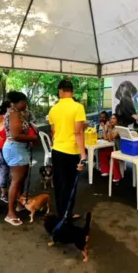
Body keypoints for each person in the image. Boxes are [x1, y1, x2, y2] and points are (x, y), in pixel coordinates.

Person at [48, 80, 87, 221]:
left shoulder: (53, 109)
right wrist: (83, 154)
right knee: (70, 185)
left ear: (60, 91)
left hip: (57, 150)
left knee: (59, 184)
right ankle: (67, 215)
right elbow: (78, 132)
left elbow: (53, 131)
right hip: (71, 152)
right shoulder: (78, 107)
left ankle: (62, 215)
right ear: (72, 91)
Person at [3, 91, 38, 226]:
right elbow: (16, 135)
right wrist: (32, 138)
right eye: (25, 102)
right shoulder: (13, 114)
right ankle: (10, 213)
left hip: (19, 148)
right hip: (15, 148)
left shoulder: (17, 113)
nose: (26, 105)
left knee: (20, 179)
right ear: (20, 102)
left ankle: (19, 204)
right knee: (16, 181)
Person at [98, 114, 121, 182]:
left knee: (112, 155)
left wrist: (110, 128)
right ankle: (105, 170)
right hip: (112, 147)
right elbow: (105, 138)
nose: (112, 120)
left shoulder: (118, 128)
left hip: (118, 148)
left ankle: (117, 175)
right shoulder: (112, 127)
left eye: (114, 118)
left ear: (117, 120)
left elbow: (111, 139)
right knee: (102, 152)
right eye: (111, 118)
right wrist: (104, 128)